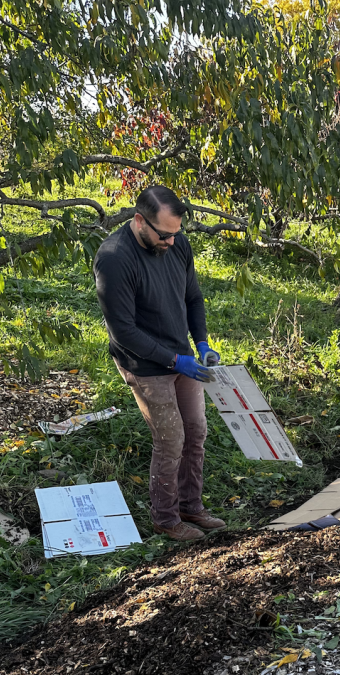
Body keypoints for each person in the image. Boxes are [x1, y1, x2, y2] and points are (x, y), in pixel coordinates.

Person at [93, 185, 226, 541]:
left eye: (176, 234)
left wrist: (200, 343)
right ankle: (165, 519)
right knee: (171, 439)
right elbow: (123, 331)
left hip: (181, 354)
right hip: (145, 364)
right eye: (164, 235)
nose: (171, 242)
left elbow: (193, 297)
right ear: (139, 221)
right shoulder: (115, 259)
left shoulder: (177, 243)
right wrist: (172, 360)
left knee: (196, 432)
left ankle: (190, 506)